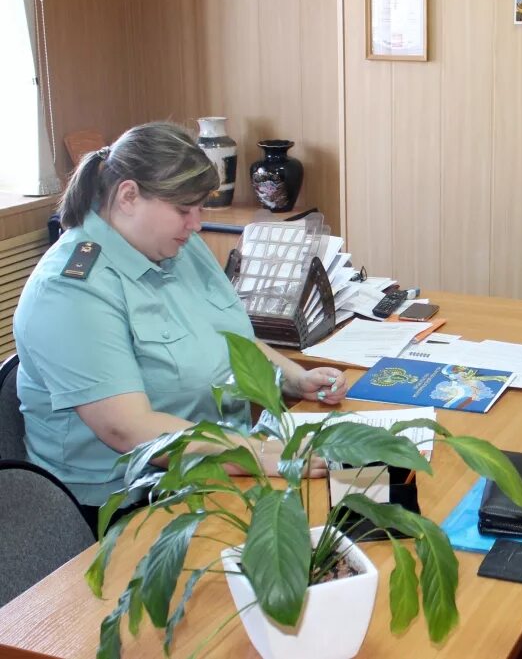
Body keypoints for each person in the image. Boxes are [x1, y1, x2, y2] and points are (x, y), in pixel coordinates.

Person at [14, 122, 348, 531]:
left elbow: (229, 339)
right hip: (125, 503)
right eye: (184, 209)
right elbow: (128, 428)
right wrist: (257, 453)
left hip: (218, 466)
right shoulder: (70, 291)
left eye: (200, 208)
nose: (197, 224)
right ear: (128, 196)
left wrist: (293, 377)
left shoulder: (175, 246)